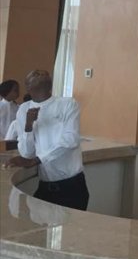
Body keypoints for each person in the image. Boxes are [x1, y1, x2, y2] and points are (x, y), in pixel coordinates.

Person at [6, 70, 89, 211]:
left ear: (50, 85)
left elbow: (71, 139)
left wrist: (37, 160)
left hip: (71, 186)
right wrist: (28, 126)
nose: (38, 74)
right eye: (34, 76)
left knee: (71, 225)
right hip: (45, 186)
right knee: (39, 223)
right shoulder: (24, 109)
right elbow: (26, 153)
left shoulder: (67, 104)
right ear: (28, 88)